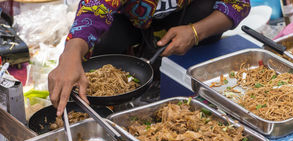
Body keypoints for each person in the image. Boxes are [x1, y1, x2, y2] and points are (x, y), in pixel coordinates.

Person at [48, 0, 251, 116]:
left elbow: (239, 3)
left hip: (188, 18)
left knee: (205, 7)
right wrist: (71, 54)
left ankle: (174, 74)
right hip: (131, 19)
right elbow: (95, 9)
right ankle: (105, 108)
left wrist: (195, 32)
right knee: (105, 39)